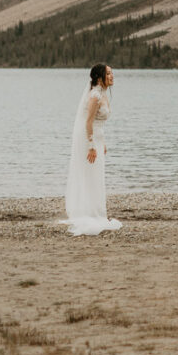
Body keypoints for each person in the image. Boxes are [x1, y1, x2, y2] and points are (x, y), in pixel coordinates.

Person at [62, 63, 122, 236]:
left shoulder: (103, 94)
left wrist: (101, 142)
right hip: (88, 140)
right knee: (90, 173)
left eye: (112, 73)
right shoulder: (95, 95)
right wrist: (91, 146)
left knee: (96, 175)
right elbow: (88, 122)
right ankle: (88, 213)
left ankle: (96, 211)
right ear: (98, 77)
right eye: (108, 73)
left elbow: (98, 123)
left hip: (97, 138)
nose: (112, 76)